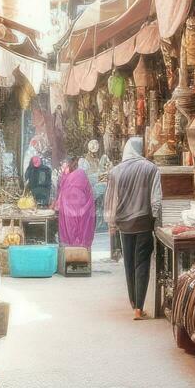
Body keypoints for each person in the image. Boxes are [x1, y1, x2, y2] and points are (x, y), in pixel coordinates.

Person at [105, 136, 161, 320]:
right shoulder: (151, 168)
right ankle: (139, 307)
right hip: (144, 223)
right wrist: (157, 221)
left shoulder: (116, 171)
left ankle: (133, 302)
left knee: (129, 263)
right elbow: (156, 199)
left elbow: (111, 200)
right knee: (142, 263)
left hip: (124, 225)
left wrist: (112, 223)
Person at [55, 157, 96, 250]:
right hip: (84, 215)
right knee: (82, 241)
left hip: (69, 215)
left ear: (69, 166)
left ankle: (71, 259)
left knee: (70, 240)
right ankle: (84, 259)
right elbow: (89, 195)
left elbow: (63, 197)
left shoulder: (68, 179)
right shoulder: (82, 176)